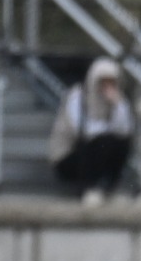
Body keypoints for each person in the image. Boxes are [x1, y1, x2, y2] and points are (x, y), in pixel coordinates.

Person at [49, 57, 134, 203]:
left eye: (111, 82)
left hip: (99, 150)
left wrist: (118, 105)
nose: (107, 86)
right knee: (102, 141)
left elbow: (125, 129)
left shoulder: (117, 99)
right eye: (103, 81)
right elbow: (81, 130)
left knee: (121, 143)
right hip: (68, 156)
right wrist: (107, 129)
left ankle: (110, 189)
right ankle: (88, 188)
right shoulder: (78, 96)